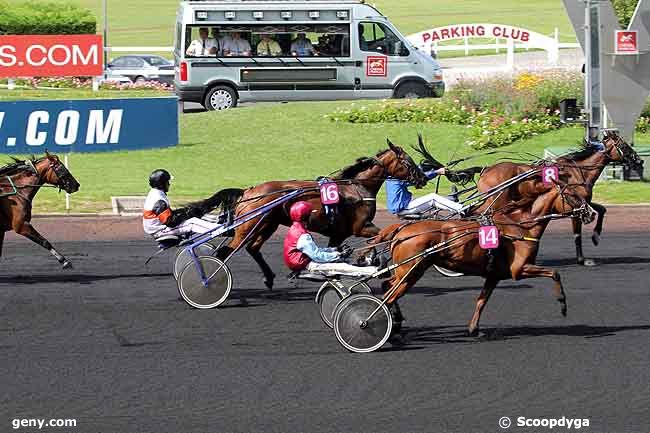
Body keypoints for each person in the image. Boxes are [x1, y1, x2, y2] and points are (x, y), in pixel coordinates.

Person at [283, 201, 377, 277]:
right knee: (343, 266)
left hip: (305, 261)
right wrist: (338, 255)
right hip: (307, 265)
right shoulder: (302, 235)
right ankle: (375, 271)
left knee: (342, 260)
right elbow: (317, 255)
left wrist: (335, 249)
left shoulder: (295, 229)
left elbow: (314, 251)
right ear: (307, 217)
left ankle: (367, 262)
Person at [143, 169, 220, 240]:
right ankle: (219, 230)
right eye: (167, 182)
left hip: (160, 227)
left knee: (192, 215)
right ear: (161, 184)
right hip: (160, 231)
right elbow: (170, 223)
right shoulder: (158, 199)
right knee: (192, 222)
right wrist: (186, 214)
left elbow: (170, 216)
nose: (169, 184)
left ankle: (216, 224)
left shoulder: (156, 193)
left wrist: (186, 211)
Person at [386, 165, 463, 217]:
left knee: (431, 200)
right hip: (404, 208)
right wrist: (437, 172)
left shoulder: (391, 178)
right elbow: (419, 179)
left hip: (405, 204)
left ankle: (451, 199)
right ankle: (461, 209)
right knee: (432, 198)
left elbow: (412, 172)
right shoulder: (396, 179)